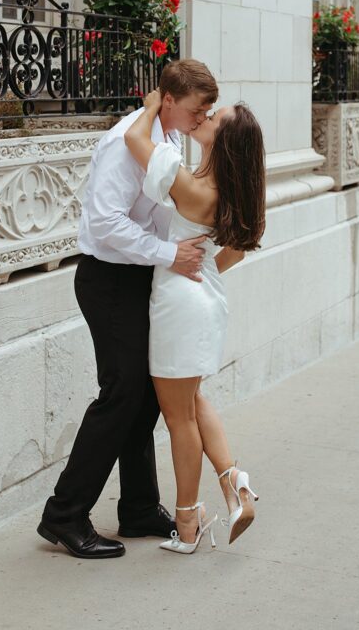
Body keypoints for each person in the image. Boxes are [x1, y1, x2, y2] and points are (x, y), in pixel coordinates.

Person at [37, 60, 219, 559]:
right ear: (170, 99)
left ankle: (139, 508)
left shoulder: (169, 136)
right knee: (121, 395)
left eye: (208, 108)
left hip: (140, 279)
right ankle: (64, 515)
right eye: (198, 107)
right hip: (107, 280)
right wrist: (170, 254)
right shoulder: (125, 142)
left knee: (145, 397)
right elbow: (105, 224)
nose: (204, 115)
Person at [124, 88, 266, 554]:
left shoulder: (192, 185)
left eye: (213, 117)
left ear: (222, 142)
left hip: (180, 304)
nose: (203, 117)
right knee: (193, 399)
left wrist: (152, 105)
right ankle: (235, 484)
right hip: (203, 298)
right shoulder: (227, 189)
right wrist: (203, 272)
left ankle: (188, 520)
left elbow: (134, 140)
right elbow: (240, 247)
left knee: (178, 417)